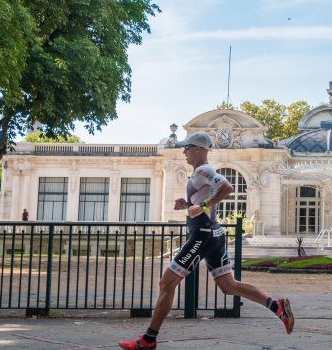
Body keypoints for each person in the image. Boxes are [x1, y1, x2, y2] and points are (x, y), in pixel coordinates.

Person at [119, 132, 294, 350]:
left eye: (188, 147)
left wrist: (201, 207)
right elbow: (206, 198)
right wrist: (188, 204)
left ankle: (148, 339)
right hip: (213, 234)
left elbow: (227, 187)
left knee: (166, 283)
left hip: (203, 235)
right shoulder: (198, 174)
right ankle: (276, 306)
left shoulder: (204, 170)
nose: (184, 151)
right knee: (229, 286)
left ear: (199, 149)